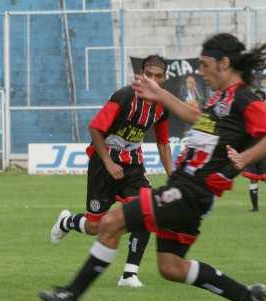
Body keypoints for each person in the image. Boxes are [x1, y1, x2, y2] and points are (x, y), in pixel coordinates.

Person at [39, 33, 266, 301]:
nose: (200, 71)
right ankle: (248, 297)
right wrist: (160, 93)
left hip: (190, 192)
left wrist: (245, 158)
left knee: (111, 222)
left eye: (204, 64)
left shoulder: (244, 97)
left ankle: (71, 295)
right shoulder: (220, 98)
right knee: (171, 267)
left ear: (224, 63)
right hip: (187, 191)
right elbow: (193, 116)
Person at [50, 55, 173, 288]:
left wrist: (173, 177)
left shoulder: (162, 105)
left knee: (145, 210)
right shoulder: (124, 96)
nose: (154, 80)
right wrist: (108, 163)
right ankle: (68, 222)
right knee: (95, 226)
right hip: (103, 163)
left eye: (159, 76)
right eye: (150, 75)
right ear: (141, 75)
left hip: (133, 166)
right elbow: (95, 128)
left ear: (165, 79)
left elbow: (163, 143)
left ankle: (129, 275)